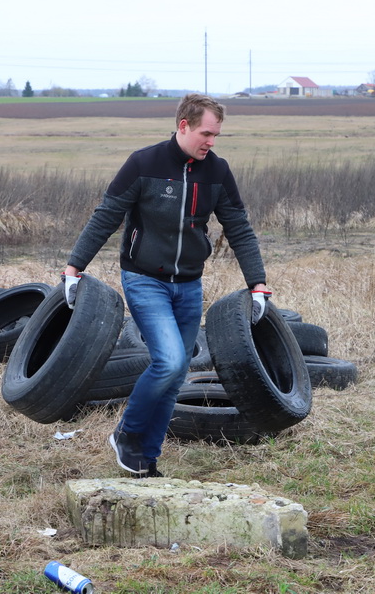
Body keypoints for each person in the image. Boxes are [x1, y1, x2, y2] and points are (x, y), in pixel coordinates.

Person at [62, 93, 271, 478]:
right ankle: (126, 434)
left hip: (189, 284)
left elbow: (239, 228)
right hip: (145, 280)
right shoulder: (144, 163)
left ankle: (147, 460)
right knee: (170, 361)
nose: (211, 142)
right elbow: (106, 216)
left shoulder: (217, 172)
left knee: (176, 377)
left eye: (216, 135)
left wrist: (257, 284)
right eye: (206, 133)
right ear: (183, 126)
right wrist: (74, 269)